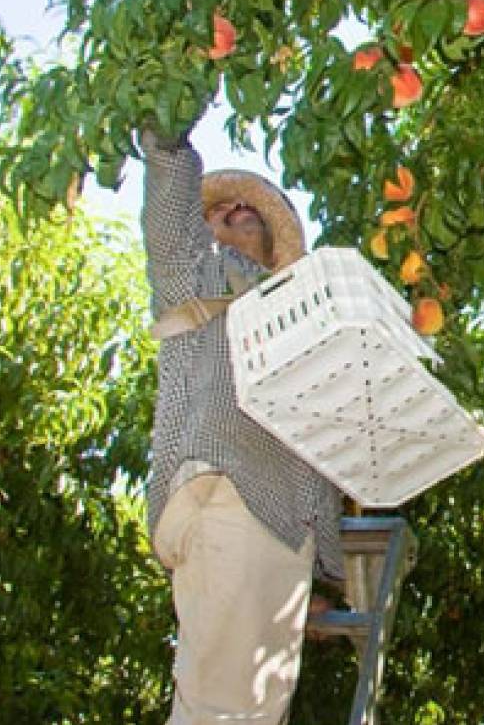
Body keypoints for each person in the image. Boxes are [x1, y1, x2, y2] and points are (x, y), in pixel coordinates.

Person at [139, 122, 344, 724]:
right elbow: (169, 214)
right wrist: (167, 130)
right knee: (227, 711)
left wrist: (321, 566)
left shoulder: (297, 318)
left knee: (242, 708)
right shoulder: (196, 278)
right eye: (220, 210)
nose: (232, 211)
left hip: (273, 523)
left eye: (247, 208)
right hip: (234, 492)